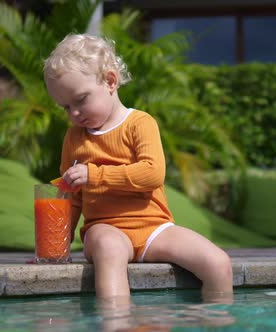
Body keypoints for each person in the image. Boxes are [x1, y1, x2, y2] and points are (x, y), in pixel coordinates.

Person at [43, 34, 233, 302]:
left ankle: (216, 322)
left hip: (154, 228)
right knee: (110, 250)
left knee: (218, 263)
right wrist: (56, 250)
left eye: (81, 99)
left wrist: (94, 175)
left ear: (110, 81)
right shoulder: (74, 138)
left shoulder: (139, 123)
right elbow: (71, 198)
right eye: (66, 107)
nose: (74, 113)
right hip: (104, 228)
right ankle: (117, 323)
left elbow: (152, 173)